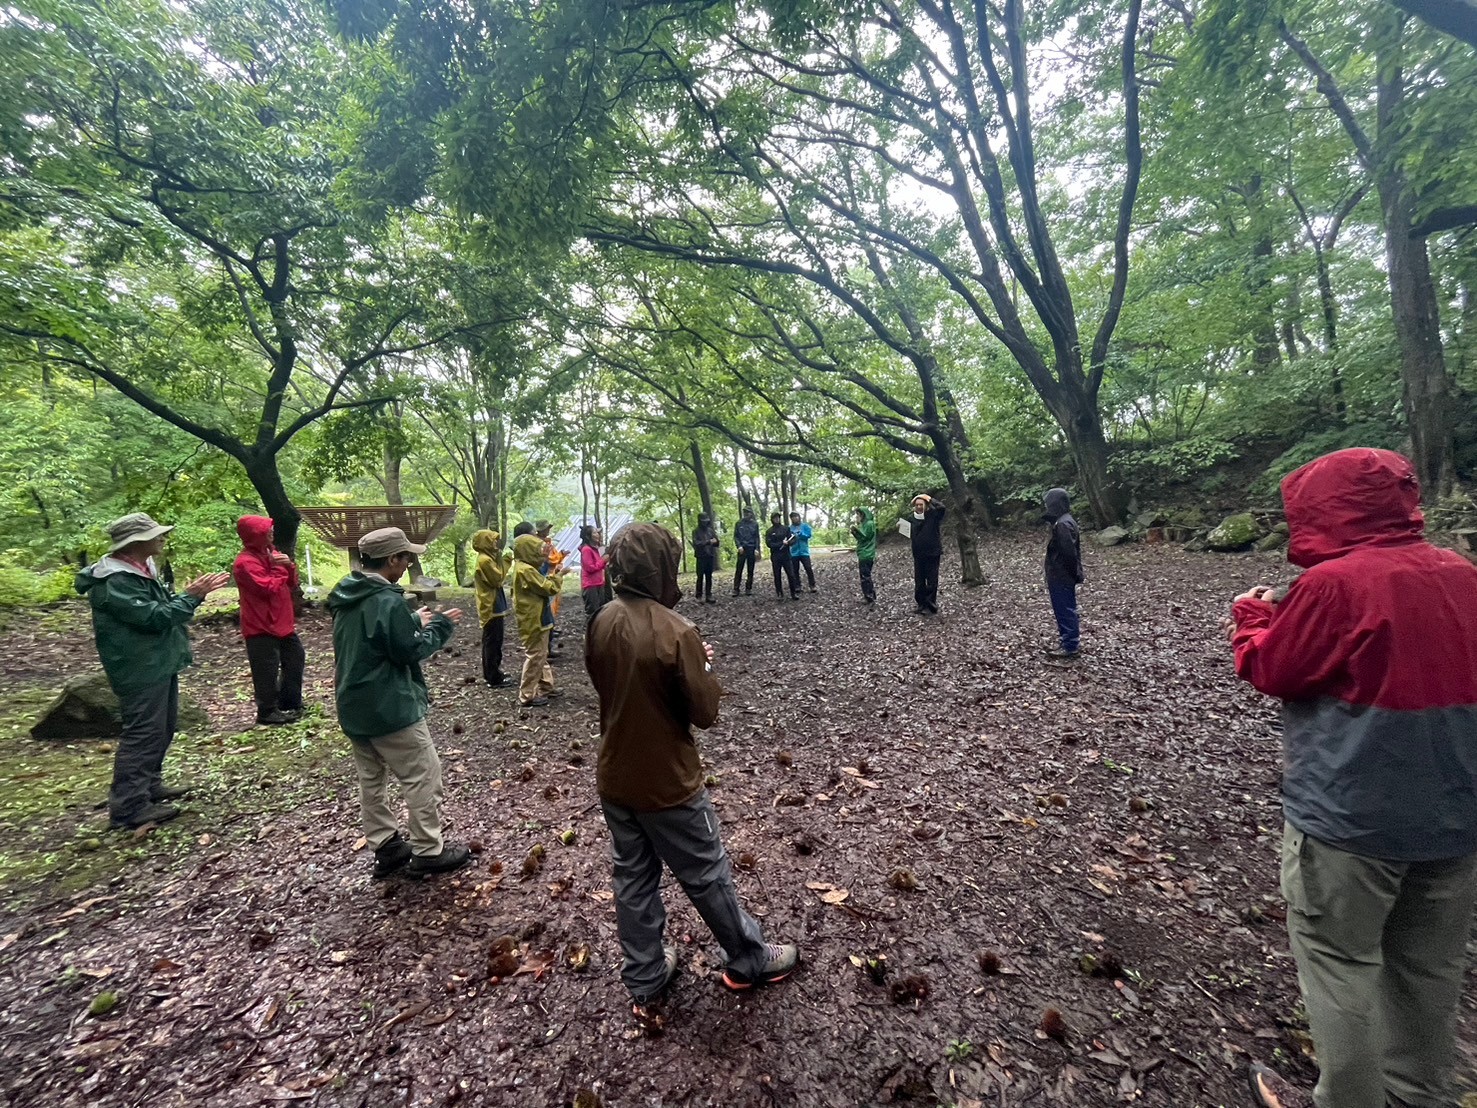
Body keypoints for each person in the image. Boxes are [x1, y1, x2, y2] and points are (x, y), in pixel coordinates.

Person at [1225, 449, 1477, 1108]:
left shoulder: (1334, 585)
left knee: (1340, 967)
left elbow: (1274, 670)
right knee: (1427, 972)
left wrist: (1252, 620)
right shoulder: (1463, 576)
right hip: (1456, 815)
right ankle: (1420, 1097)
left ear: (1320, 509)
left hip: (1349, 819)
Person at [585, 523, 799, 1014]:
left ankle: (646, 973)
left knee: (633, 877)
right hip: (669, 783)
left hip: (616, 775)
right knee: (706, 873)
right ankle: (748, 957)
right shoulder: (677, 630)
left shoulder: (600, 619)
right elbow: (705, 712)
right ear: (661, 566)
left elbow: (607, 682)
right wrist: (701, 667)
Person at [328, 526, 470, 880]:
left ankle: (387, 847)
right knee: (422, 773)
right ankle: (428, 850)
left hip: (354, 703)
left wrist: (409, 621)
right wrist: (437, 628)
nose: (408, 563)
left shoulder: (348, 595)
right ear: (392, 559)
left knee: (371, 779)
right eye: (406, 557)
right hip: (389, 705)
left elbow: (371, 638)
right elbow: (409, 650)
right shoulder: (387, 600)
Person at [76, 513, 231, 830]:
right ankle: (129, 808)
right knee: (143, 733)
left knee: (163, 727)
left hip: (157, 661)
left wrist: (187, 597)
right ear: (135, 542)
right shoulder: (115, 580)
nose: (162, 538)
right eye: (156, 534)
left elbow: (160, 611)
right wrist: (192, 596)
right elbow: (155, 617)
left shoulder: (140, 570)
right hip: (138, 666)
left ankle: (149, 785)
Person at [232, 515, 305, 725]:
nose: (272, 534)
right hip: (260, 624)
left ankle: (289, 702)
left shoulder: (271, 553)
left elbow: (290, 583)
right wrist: (279, 568)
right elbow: (267, 588)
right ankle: (267, 711)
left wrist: (289, 565)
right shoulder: (244, 563)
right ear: (256, 535)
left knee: (295, 658)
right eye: (267, 531)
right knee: (266, 669)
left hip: (282, 622)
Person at [512, 531, 567, 707]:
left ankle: (546, 686)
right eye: (537, 549)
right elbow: (548, 588)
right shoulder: (526, 570)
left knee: (540, 653)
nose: (541, 553)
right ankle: (526, 695)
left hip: (537, 615)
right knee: (535, 654)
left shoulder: (525, 568)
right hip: (532, 618)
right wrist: (559, 575)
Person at [1042, 489, 1083, 660]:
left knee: (1065, 610)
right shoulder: (1063, 522)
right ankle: (1067, 642)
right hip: (1061, 575)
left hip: (1062, 576)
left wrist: (1070, 574)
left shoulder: (1063, 524)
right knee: (1063, 610)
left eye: (1048, 503)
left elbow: (1069, 554)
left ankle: (1070, 647)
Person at [472, 529, 512, 688]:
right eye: (493, 540)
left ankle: (494, 672)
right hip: (491, 604)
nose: (496, 543)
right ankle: (493, 676)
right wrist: (507, 560)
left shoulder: (487, 558)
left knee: (495, 640)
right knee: (493, 641)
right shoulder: (485, 561)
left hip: (494, 602)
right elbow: (497, 579)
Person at [907, 494, 946, 615]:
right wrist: (902, 528)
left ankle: (930, 605)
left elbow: (942, 508)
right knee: (919, 581)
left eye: (921, 504)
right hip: (918, 554)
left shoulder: (933, 515)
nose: (919, 507)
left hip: (933, 553)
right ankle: (921, 604)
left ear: (925, 505)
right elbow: (911, 535)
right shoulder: (912, 518)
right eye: (917, 505)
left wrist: (929, 499)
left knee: (932, 580)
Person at [536, 520, 567, 657]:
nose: (548, 530)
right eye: (546, 528)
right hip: (546, 579)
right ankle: (545, 650)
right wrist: (559, 559)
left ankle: (548, 648)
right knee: (547, 612)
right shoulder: (539, 544)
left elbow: (553, 558)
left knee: (551, 612)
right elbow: (550, 560)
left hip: (551, 578)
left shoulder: (547, 542)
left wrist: (561, 556)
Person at [579, 524, 611, 621]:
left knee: (600, 610)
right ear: (588, 536)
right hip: (590, 585)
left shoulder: (595, 549)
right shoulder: (586, 550)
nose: (598, 534)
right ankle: (591, 633)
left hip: (598, 583)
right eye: (595, 532)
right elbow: (590, 568)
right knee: (593, 612)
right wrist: (603, 560)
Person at [765, 511, 799, 600]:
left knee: (791, 575)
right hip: (775, 557)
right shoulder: (769, 531)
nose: (777, 519)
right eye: (775, 518)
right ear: (772, 519)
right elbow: (769, 544)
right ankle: (779, 594)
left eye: (778, 517)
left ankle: (793, 593)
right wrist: (781, 543)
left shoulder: (786, 529)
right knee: (777, 575)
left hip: (786, 556)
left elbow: (792, 539)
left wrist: (788, 543)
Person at [849, 507, 877, 604]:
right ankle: (871, 594)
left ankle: (869, 597)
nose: (857, 517)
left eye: (859, 514)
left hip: (867, 553)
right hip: (864, 553)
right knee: (865, 575)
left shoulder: (869, 524)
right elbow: (862, 539)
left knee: (865, 576)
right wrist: (855, 532)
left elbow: (865, 538)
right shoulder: (865, 524)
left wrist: (855, 531)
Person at [691, 513, 719, 604]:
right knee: (700, 576)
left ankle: (708, 595)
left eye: (706, 521)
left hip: (710, 556)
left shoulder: (710, 531)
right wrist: (708, 542)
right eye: (703, 521)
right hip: (701, 556)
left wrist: (715, 542)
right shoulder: (695, 531)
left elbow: (716, 542)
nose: (705, 523)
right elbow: (696, 543)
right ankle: (698, 595)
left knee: (709, 576)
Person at [732, 508, 759, 596]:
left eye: (748, 513)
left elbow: (757, 537)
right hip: (742, 550)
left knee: (750, 570)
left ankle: (748, 588)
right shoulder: (739, 523)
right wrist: (739, 546)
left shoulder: (755, 524)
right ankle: (736, 589)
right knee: (739, 569)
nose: (746, 514)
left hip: (751, 548)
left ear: (751, 514)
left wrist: (757, 548)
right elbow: (736, 536)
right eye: (745, 513)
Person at [788, 511, 816, 592]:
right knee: (795, 570)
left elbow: (809, 535)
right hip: (794, 552)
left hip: (804, 551)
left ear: (799, 517)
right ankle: (797, 586)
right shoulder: (789, 528)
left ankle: (812, 585)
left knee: (808, 568)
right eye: (793, 517)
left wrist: (801, 534)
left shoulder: (805, 526)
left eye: (796, 516)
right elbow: (788, 539)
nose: (795, 518)